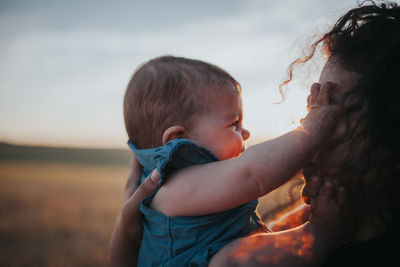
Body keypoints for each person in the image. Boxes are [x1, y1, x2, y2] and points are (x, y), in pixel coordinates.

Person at [114, 55, 350, 267]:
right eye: (234, 123)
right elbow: (252, 174)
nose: (245, 133)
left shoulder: (188, 184)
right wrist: (313, 129)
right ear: (179, 139)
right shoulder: (174, 187)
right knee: (230, 260)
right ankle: (322, 232)